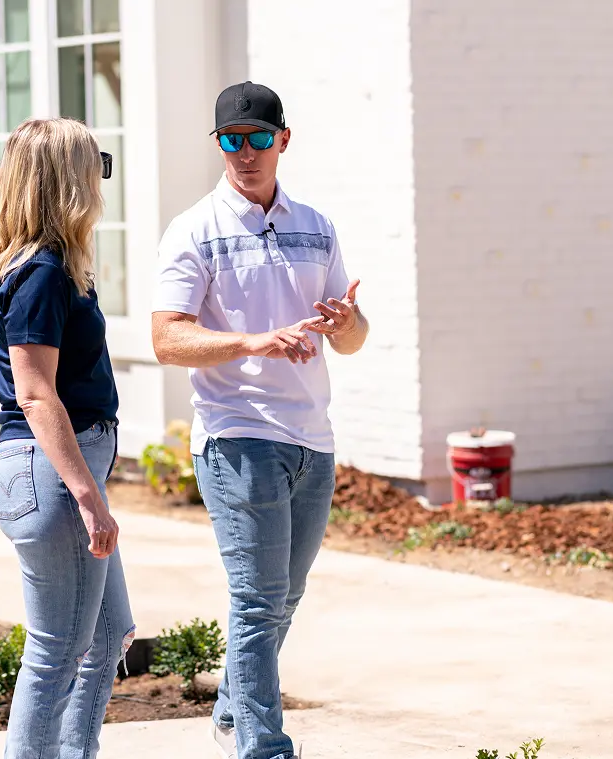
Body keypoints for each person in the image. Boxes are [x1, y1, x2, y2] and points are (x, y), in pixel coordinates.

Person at [151, 81, 370, 759]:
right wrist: (251, 341)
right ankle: (262, 746)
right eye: (230, 141)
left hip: (312, 439)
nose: (244, 153)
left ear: (283, 139)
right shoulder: (194, 229)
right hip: (238, 436)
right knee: (255, 599)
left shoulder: (317, 225)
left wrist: (347, 321)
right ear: (219, 146)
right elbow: (166, 338)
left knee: (283, 597)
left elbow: (355, 338)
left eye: (256, 138)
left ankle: (229, 710)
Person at [0, 117, 133, 759]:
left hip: (51, 472)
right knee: (56, 654)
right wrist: (88, 496)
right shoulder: (41, 273)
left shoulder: (43, 267)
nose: (102, 178)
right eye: (95, 163)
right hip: (52, 475)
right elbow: (36, 394)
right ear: (67, 180)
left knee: (108, 635)